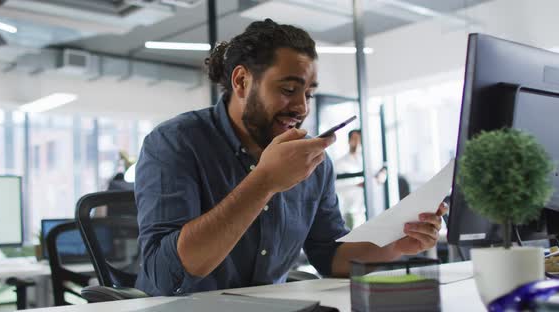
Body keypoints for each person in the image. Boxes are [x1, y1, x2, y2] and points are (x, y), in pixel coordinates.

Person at [134, 19, 447, 296]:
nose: (302, 108)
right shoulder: (174, 143)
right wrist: (265, 180)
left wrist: (394, 245)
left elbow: (328, 255)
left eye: (308, 93)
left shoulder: (313, 163)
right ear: (242, 82)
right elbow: (165, 276)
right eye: (288, 89)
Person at [334, 129, 365, 228]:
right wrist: (356, 186)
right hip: (349, 210)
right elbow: (335, 187)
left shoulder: (364, 161)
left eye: (359, 139)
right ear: (349, 141)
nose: (357, 142)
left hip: (362, 209)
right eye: (354, 139)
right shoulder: (340, 163)